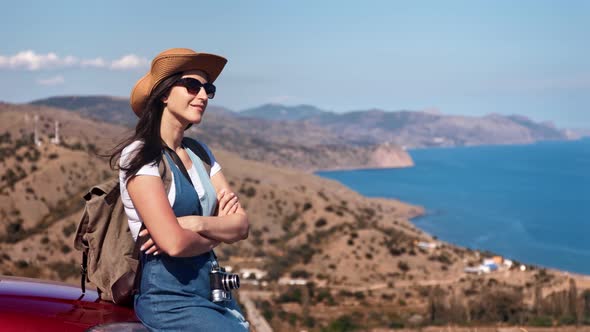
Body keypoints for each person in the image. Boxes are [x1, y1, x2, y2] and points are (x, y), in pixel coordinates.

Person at [109, 48, 250, 331]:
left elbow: (242, 225)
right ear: (163, 94)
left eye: (207, 88)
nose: (202, 96)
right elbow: (174, 243)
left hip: (211, 291)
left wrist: (196, 223)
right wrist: (217, 234)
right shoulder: (140, 156)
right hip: (169, 300)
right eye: (191, 85)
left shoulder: (201, 153)